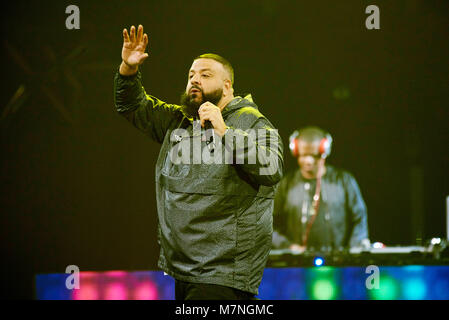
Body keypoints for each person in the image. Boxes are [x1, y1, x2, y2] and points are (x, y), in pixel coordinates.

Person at [114, 25, 283, 299]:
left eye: (205, 75)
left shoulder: (251, 120)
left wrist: (225, 133)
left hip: (224, 274)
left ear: (228, 86)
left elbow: (272, 168)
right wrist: (128, 69)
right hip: (183, 270)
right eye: (191, 75)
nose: (195, 80)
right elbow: (132, 107)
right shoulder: (180, 119)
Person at [272, 126, 369, 253]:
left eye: (314, 155)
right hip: (296, 264)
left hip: (339, 262)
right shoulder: (286, 184)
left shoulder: (344, 180)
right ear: (295, 152)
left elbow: (359, 218)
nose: (308, 161)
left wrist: (354, 250)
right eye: (304, 155)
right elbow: (269, 224)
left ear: (325, 152)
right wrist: (287, 246)